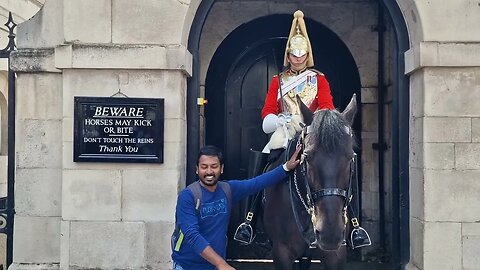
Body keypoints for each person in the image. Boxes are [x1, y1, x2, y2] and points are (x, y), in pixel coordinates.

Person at [234, 9, 336, 245]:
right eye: (294, 54)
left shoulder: (319, 79)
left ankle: (353, 223)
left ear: (307, 55)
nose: (298, 59)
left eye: (302, 55)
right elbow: (267, 110)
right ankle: (249, 218)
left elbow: (327, 106)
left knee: (339, 161)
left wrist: (314, 120)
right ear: (288, 55)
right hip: (285, 130)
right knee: (267, 158)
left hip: (312, 130)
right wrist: (278, 119)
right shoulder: (277, 81)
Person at [171, 145, 301, 270]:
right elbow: (192, 236)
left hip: (214, 267)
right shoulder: (187, 196)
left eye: (214, 166)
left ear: (221, 169)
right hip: (187, 266)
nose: (209, 171)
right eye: (204, 167)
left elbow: (256, 183)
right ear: (197, 169)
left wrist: (286, 168)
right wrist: (221, 264)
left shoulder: (227, 189)